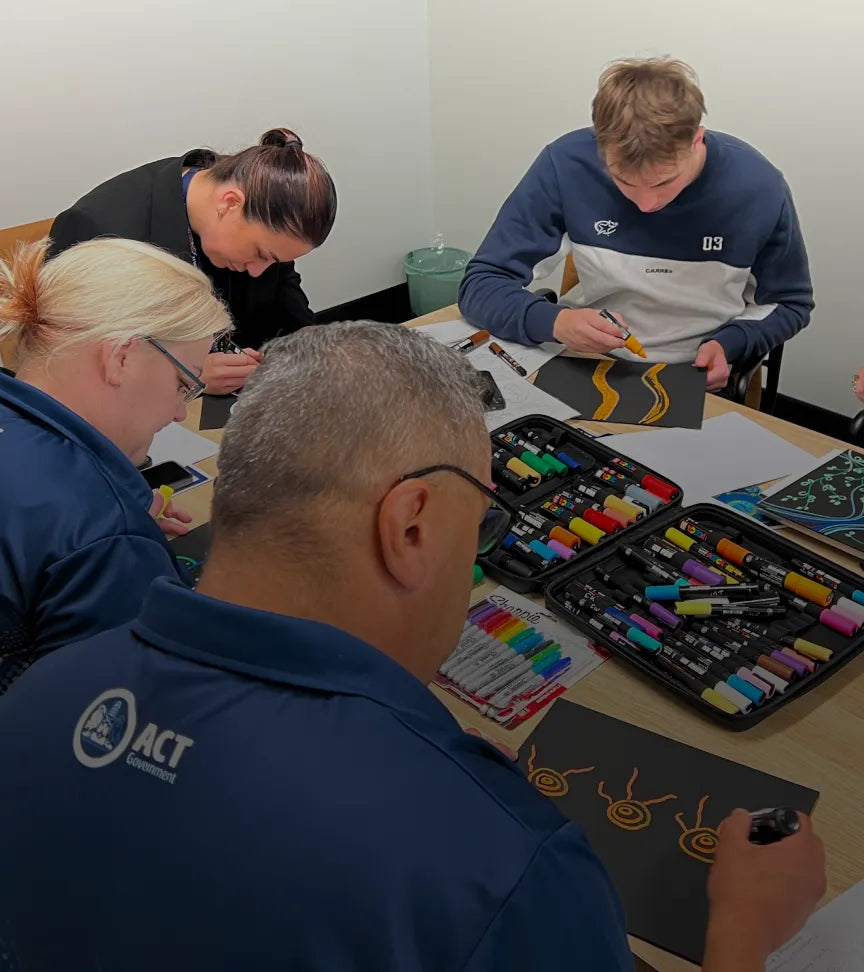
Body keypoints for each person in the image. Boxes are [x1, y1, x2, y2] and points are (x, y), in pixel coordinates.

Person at [0, 323, 825, 970]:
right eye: (482, 526)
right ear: (411, 526)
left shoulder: (40, 692)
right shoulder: (498, 864)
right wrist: (743, 935)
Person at [458, 58, 814, 392]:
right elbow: (481, 284)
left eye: (664, 182)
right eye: (623, 181)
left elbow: (790, 303)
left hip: (694, 373)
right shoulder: (566, 165)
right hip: (585, 360)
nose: (646, 205)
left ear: (696, 140)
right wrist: (553, 322)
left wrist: (731, 344)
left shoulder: (757, 188)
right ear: (600, 146)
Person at [0, 237, 230, 690]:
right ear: (121, 356)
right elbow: (125, 705)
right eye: (183, 385)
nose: (179, 412)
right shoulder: (103, 533)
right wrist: (119, 540)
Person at [50, 128, 337, 394]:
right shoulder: (99, 231)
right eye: (261, 255)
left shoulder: (259, 215)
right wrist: (183, 375)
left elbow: (281, 290)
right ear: (230, 203)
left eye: (275, 261)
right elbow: (67, 363)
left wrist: (305, 335)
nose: (258, 271)